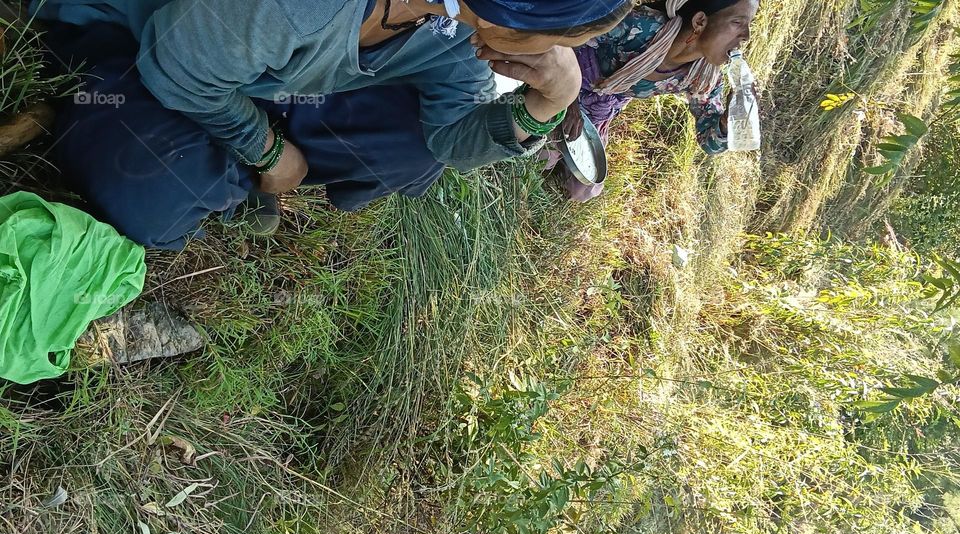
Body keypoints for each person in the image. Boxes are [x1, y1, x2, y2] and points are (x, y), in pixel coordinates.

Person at [30, 0, 634, 249]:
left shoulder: (456, 26)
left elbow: (450, 137)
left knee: (414, 152)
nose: (555, 56)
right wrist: (268, 151)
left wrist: (547, 103)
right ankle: (81, 101)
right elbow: (178, 67)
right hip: (138, 39)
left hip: (253, 73)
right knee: (148, 199)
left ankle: (223, 171)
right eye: (558, 43)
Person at [548, 0, 760, 202]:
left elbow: (709, 142)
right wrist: (569, 100)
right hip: (566, 76)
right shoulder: (643, 27)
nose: (747, 36)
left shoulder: (702, 77)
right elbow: (570, 36)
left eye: (749, 25)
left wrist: (727, 120)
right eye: (737, 23)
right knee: (545, 152)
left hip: (597, 110)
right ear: (700, 22)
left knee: (584, 188)